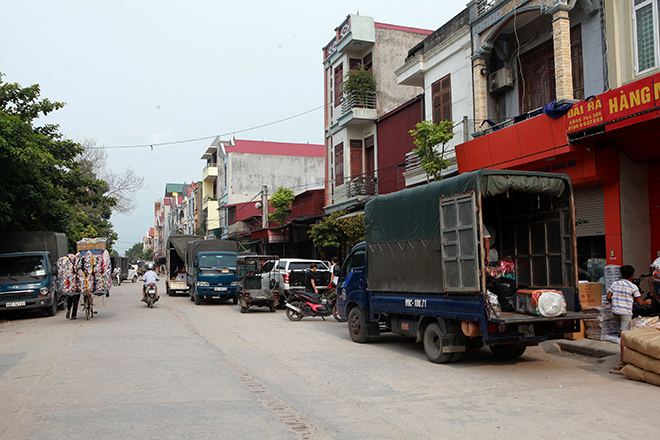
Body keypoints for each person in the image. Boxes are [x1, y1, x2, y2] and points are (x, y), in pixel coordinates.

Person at [607, 265, 651, 370]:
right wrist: (647, 302)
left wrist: (615, 304)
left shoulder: (615, 284)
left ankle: (624, 358)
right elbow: (640, 303)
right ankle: (622, 361)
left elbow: (608, 297)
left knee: (621, 332)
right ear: (632, 276)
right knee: (624, 336)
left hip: (616, 312)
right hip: (625, 313)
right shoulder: (633, 287)